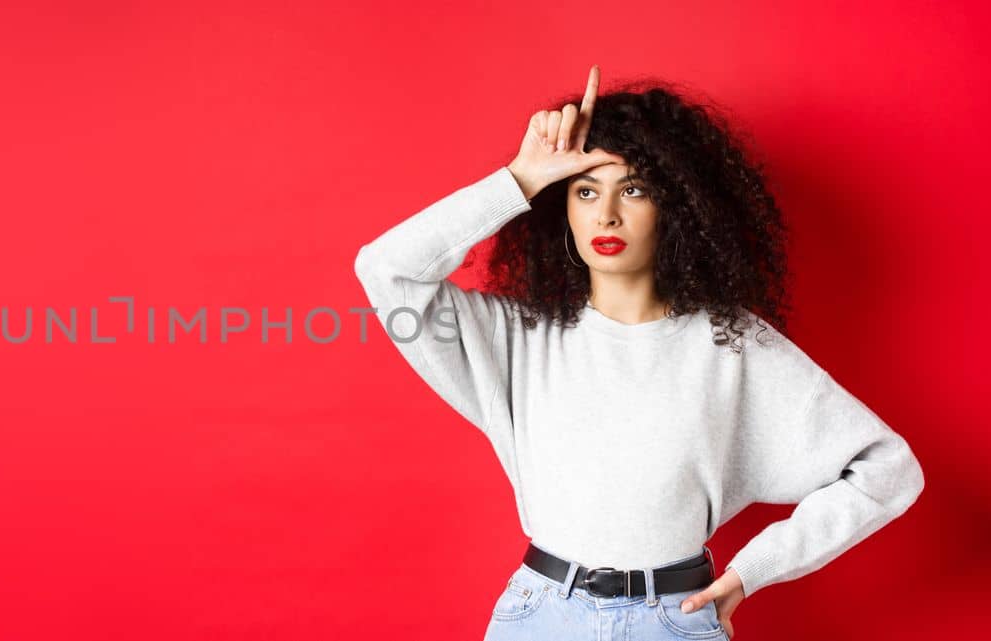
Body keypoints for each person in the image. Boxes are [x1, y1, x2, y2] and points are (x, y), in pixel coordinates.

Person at [351, 66, 925, 641]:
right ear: (562, 209)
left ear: (674, 206)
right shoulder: (518, 338)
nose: (606, 215)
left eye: (632, 189)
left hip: (674, 620)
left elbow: (887, 471)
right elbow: (386, 269)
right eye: (584, 190)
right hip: (543, 616)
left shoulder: (732, 343)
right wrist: (520, 179)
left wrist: (754, 570)